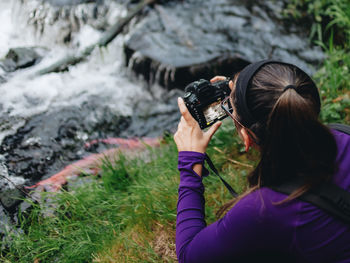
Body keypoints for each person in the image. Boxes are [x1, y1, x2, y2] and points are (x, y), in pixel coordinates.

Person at [174, 60, 350, 263]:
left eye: (231, 109)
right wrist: (244, 89)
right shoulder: (342, 133)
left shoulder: (264, 209)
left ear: (247, 138)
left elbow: (189, 255)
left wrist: (190, 163)